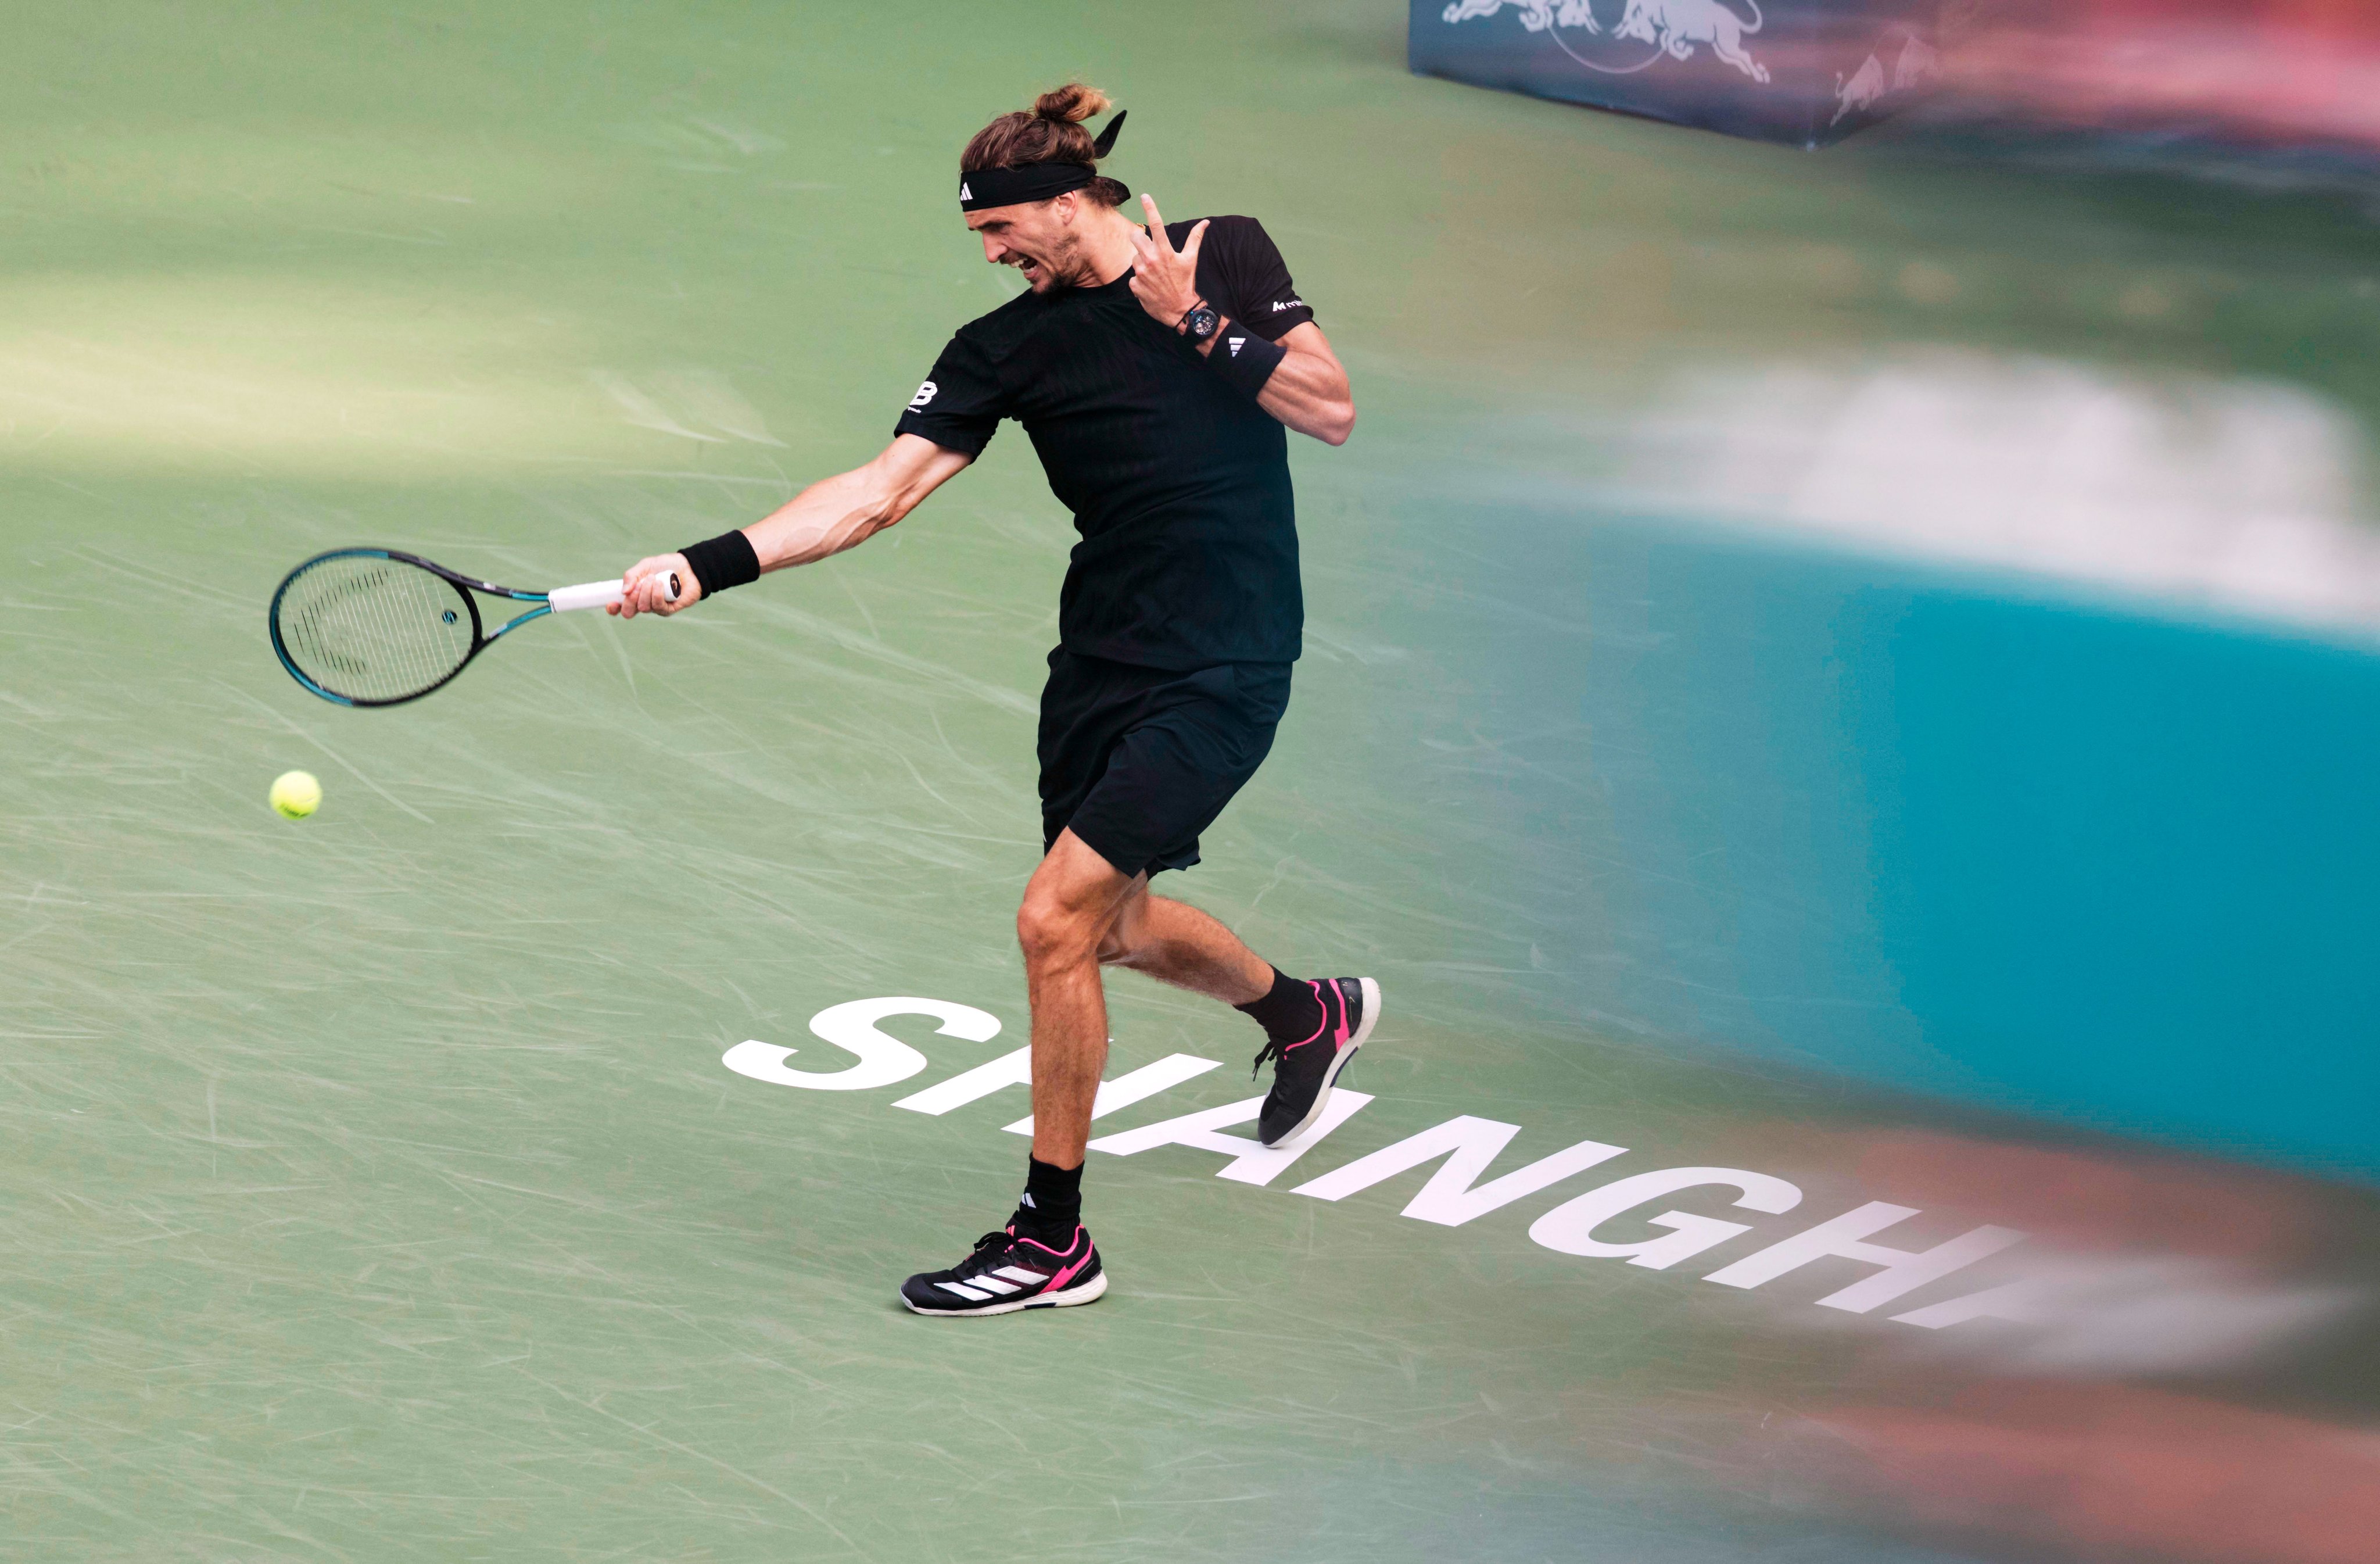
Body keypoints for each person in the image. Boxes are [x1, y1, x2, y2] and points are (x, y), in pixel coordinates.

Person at [611, 84, 1378, 1318]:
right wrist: (708, 561)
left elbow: (1328, 407)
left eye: (1000, 228)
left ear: (1074, 202)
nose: (989, 252)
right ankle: (1307, 1011)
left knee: (1050, 922)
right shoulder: (1001, 347)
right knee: (1111, 929)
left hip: (1226, 660)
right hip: (1098, 665)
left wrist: (1194, 326)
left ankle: (1051, 1239)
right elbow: (876, 491)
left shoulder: (1216, 253)